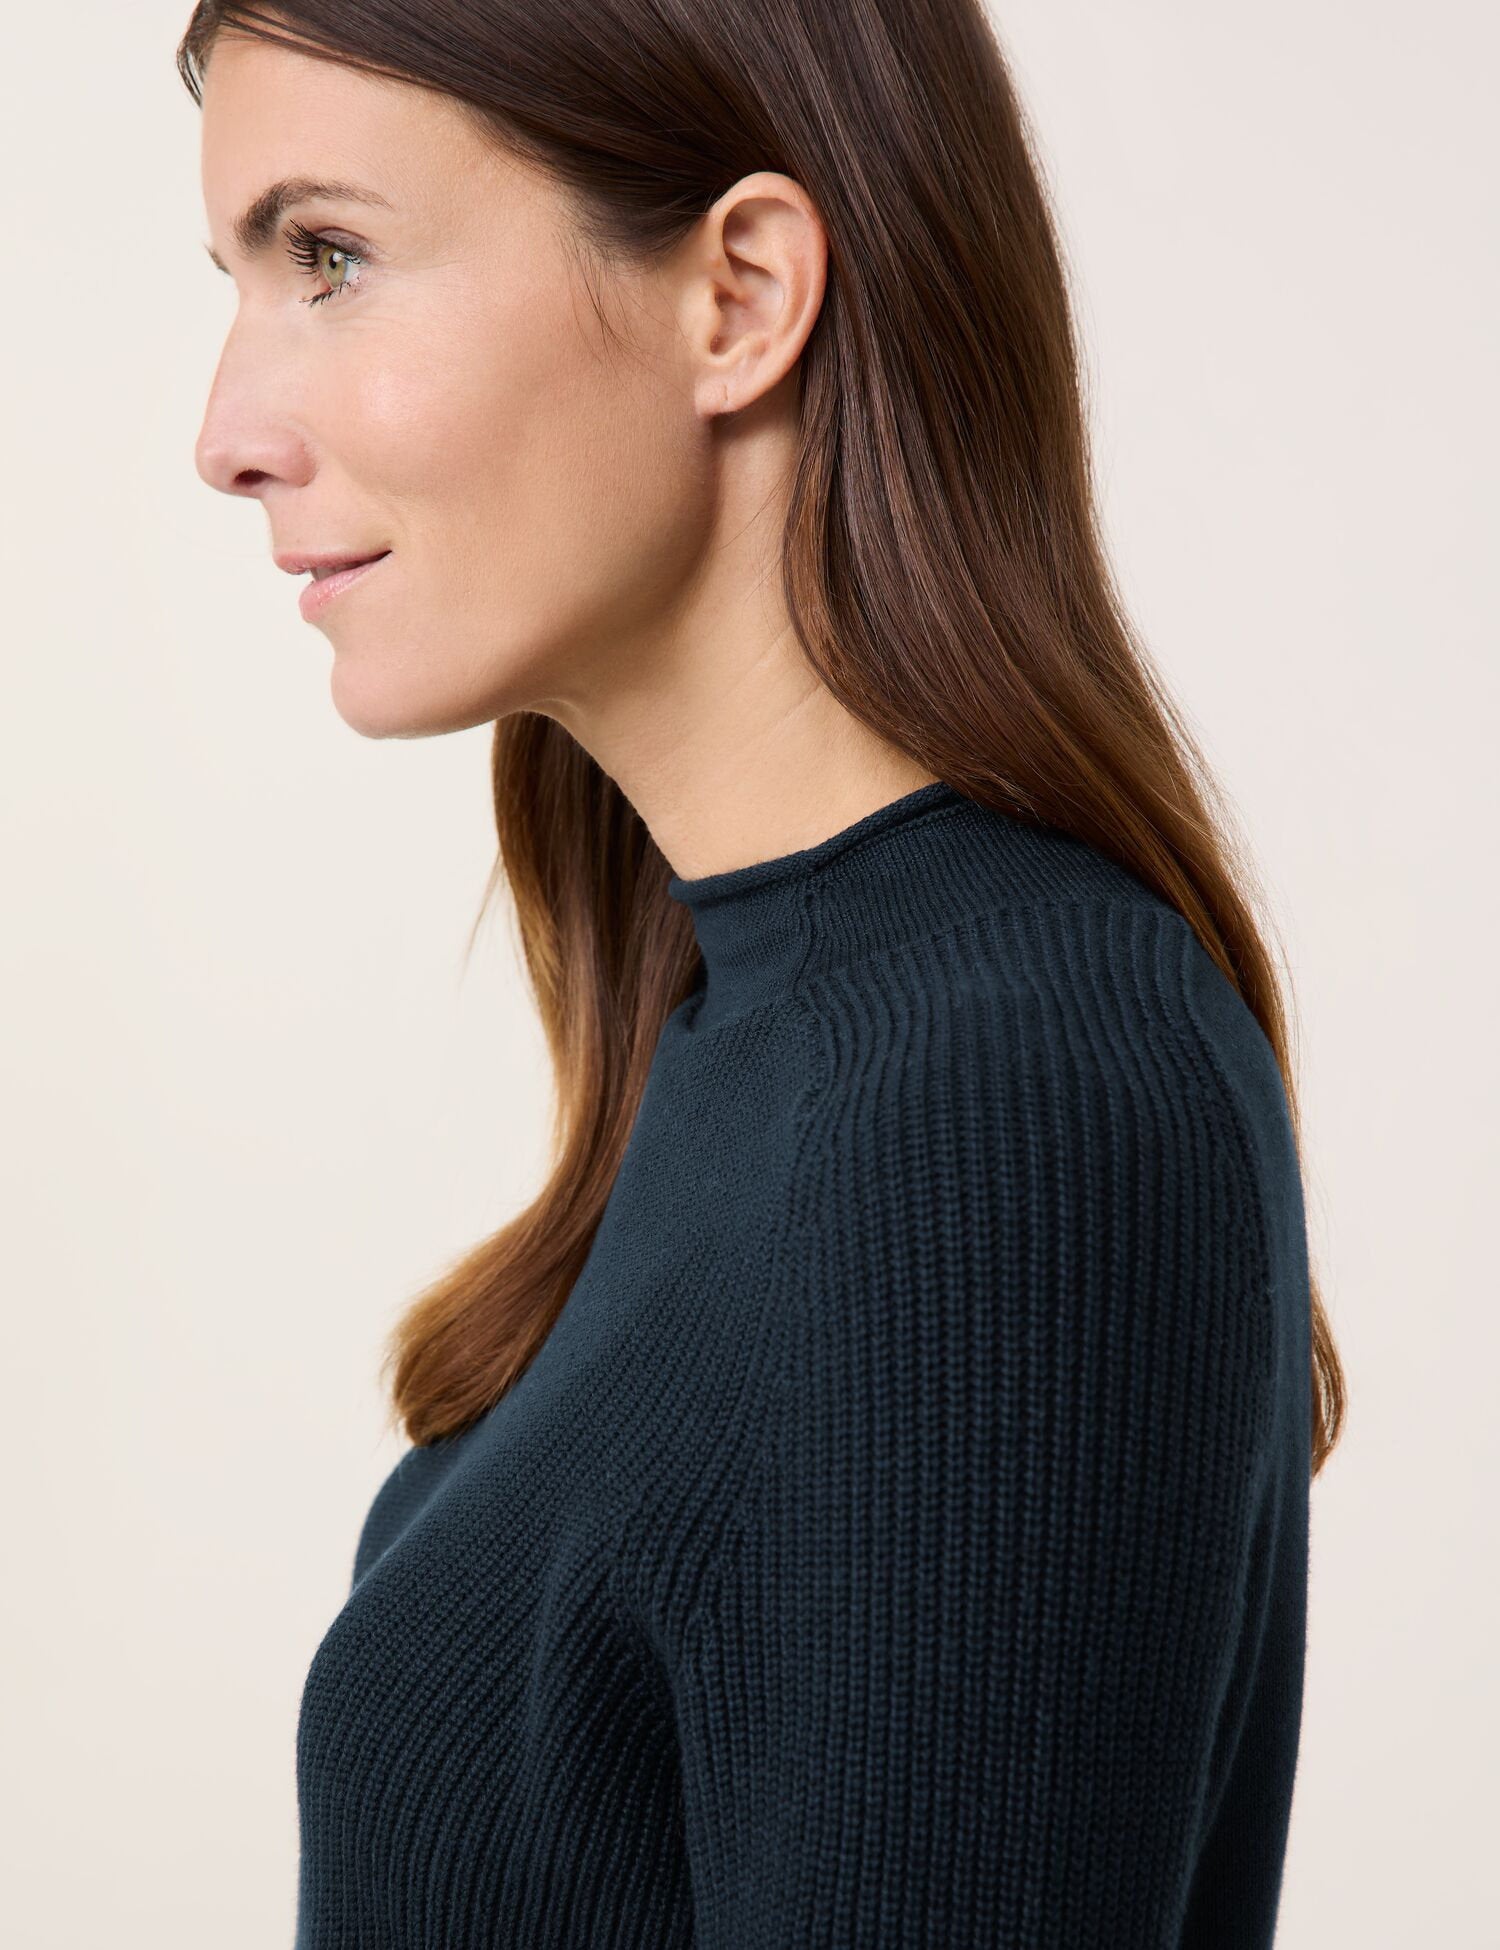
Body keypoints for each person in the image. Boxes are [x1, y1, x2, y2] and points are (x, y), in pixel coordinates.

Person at [182, 3, 1344, 1944]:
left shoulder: (1003, 1101)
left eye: (331, 257)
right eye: (241, 278)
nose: (228, 433)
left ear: (738, 297)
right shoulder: (757, 1040)